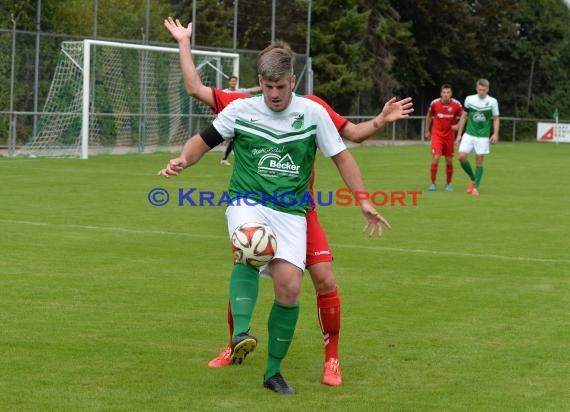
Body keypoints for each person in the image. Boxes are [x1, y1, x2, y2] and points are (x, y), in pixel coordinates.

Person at [164, 17, 413, 387]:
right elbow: (199, 121)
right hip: (248, 201)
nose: (275, 94)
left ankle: (275, 371)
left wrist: (364, 197)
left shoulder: (313, 111)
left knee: (293, 287)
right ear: (260, 81)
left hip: (295, 210)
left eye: (280, 86)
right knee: (250, 244)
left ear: (292, 80)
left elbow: (347, 149)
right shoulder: (240, 105)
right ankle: (238, 338)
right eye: (268, 87)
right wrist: (185, 159)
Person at [455, 78, 500, 196]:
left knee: (479, 160)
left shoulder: (492, 102)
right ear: (476, 89)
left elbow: (496, 118)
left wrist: (495, 134)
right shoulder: (469, 99)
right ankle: (473, 178)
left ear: (488, 89)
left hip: (483, 136)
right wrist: (459, 134)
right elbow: (464, 116)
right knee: (461, 157)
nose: (482, 92)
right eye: (480, 90)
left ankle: (475, 188)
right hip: (469, 133)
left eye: (484, 90)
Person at [424, 84, 463, 192]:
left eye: (448, 92)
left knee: (449, 160)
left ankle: (448, 184)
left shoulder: (456, 105)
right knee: (436, 157)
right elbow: (429, 116)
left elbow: (464, 116)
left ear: (451, 93)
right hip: (437, 135)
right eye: (444, 92)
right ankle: (432, 183)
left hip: (449, 136)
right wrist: (427, 130)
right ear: (441, 93)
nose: (446, 94)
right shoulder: (435, 104)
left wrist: (458, 125)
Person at [220, 76, 262, 166]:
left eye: (234, 81)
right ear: (228, 82)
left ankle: (225, 159)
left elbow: (252, 90)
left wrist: (263, 86)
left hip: (238, 119)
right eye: (231, 81)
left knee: (236, 139)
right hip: (227, 118)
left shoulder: (240, 91)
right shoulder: (224, 92)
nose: (233, 83)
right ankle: (227, 158)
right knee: (233, 139)